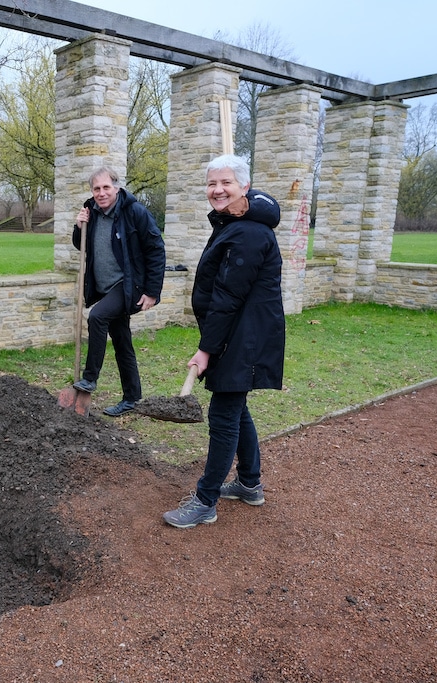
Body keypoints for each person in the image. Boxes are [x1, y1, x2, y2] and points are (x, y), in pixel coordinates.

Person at [163, 154, 285, 529]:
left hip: (243, 336)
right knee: (235, 407)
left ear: (244, 187)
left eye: (226, 183)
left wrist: (206, 349)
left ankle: (205, 501)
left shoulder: (247, 232)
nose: (217, 190)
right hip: (239, 332)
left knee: (223, 414)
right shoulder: (235, 223)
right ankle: (249, 483)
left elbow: (228, 297)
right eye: (212, 183)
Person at [71, 167, 166, 417]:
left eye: (106, 187)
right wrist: (79, 226)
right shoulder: (91, 211)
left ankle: (90, 378)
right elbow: (81, 245)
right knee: (122, 342)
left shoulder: (134, 212)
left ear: (116, 187)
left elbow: (156, 249)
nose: (101, 193)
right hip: (104, 287)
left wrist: (152, 291)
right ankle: (132, 398)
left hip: (127, 285)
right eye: (96, 188)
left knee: (97, 317)